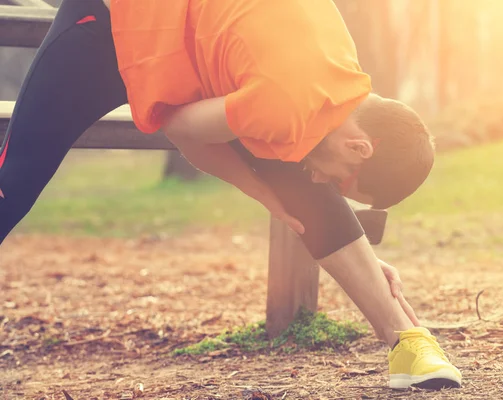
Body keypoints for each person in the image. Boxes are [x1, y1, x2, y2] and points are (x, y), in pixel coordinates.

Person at [0, 0, 462, 390]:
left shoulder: (337, 75)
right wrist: (262, 191)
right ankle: (409, 341)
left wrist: (361, 263)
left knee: (303, 172)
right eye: (344, 180)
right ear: (360, 146)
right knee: (17, 176)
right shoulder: (284, 103)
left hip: (187, 45)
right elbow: (180, 127)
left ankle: (409, 341)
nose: (328, 184)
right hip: (113, 27)